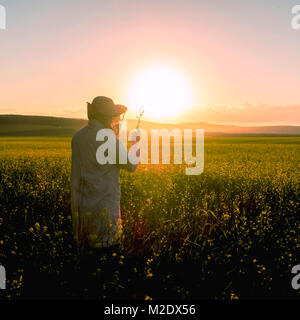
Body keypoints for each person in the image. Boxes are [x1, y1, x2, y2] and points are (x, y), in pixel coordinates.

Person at [71, 96, 139, 254]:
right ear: (107, 117)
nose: (116, 120)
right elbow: (131, 165)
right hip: (104, 207)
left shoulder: (78, 136)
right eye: (113, 116)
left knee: (86, 255)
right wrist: (136, 145)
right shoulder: (108, 139)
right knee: (106, 251)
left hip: (82, 208)